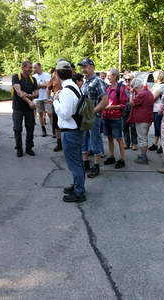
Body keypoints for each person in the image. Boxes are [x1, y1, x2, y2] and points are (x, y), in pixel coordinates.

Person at [53, 60, 86, 203]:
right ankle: (78, 186)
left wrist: (55, 101)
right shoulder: (74, 87)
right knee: (77, 161)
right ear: (71, 72)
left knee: (74, 163)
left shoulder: (66, 91)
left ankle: (79, 192)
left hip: (70, 131)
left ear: (57, 74)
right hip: (76, 130)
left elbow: (65, 114)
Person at [79, 58, 108, 178]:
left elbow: (105, 100)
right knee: (84, 139)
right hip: (84, 116)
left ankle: (96, 166)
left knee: (95, 140)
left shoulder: (97, 81)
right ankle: (85, 163)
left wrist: (93, 111)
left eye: (85, 67)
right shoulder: (85, 82)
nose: (83, 69)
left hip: (93, 117)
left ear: (92, 67)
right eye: (82, 67)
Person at [102, 68, 128, 169]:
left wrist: (112, 107)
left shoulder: (120, 89)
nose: (108, 77)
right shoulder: (107, 88)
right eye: (108, 75)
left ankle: (122, 159)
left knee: (119, 138)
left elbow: (124, 105)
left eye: (109, 75)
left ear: (115, 76)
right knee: (109, 137)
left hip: (115, 118)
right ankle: (111, 156)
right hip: (106, 117)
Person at [12, 61, 38, 157]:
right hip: (18, 108)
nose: (31, 69)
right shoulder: (16, 77)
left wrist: (28, 95)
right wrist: (30, 101)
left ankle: (29, 148)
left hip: (29, 109)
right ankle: (19, 148)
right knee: (17, 129)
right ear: (23, 68)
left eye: (31, 67)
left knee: (30, 128)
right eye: (29, 67)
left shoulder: (33, 79)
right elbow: (19, 92)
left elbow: (36, 94)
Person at [128, 79, 155, 164]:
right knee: (144, 137)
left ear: (136, 87)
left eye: (134, 88)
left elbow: (131, 103)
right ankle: (143, 155)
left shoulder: (142, 94)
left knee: (142, 138)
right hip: (147, 118)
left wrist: (131, 94)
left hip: (142, 119)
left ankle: (143, 157)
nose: (134, 90)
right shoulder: (148, 92)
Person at [149, 70, 164, 153]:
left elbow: (153, 97)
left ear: (158, 77)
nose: (153, 78)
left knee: (160, 128)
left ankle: (162, 146)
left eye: (154, 76)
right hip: (155, 109)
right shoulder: (156, 85)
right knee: (157, 128)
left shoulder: (162, 86)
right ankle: (155, 144)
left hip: (159, 110)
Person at [33, 62, 51, 137]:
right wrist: (42, 85)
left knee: (50, 113)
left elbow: (48, 85)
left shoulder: (46, 75)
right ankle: (43, 130)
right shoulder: (33, 77)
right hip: (38, 98)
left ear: (40, 67)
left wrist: (38, 85)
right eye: (33, 68)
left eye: (35, 67)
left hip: (46, 97)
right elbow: (33, 87)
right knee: (40, 114)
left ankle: (53, 130)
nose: (34, 69)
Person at [47, 67, 63, 151]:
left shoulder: (68, 77)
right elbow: (48, 88)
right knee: (57, 124)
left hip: (66, 103)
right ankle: (59, 143)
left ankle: (66, 143)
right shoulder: (54, 78)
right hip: (56, 103)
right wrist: (48, 98)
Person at [123, 73, 138, 151]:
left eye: (129, 79)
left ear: (133, 80)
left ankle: (134, 143)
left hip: (133, 109)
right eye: (126, 79)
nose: (127, 81)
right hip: (124, 109)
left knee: (133, 127)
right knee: (125, 127)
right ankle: (126, 143)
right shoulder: (123, 88)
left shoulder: (136, 88)